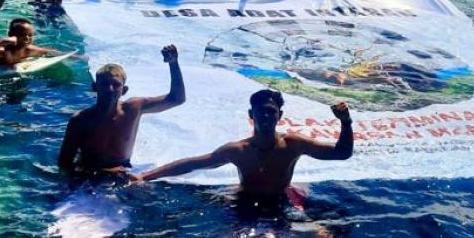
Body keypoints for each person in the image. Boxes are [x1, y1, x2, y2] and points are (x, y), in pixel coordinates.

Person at [134, 90, 353, 198]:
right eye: (261, 112)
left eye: (271, 112)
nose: (266, 116)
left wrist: (345, 122)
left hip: (281, 203)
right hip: (245, 204)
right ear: (251, 114)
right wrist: (145, 176)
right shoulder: (238, 151)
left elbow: (342, 153)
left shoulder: (293, 144)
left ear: (280, 115)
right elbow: (193, 164)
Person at [58, 46, 185, 174]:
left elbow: (177, 99)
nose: (110, 89)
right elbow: (64, 164)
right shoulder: (80, 120)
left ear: (124, 90)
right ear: (95, 87)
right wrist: (106, 171)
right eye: (104, 84)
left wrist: (173, 63)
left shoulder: (133, 108)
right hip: (89, 176)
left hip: (123, 171)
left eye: (116, 85)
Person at [0, 18, 68, 67]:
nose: (27, 38)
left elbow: (51, 52)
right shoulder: (0, 53)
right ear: (12, 35)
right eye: (23, 35)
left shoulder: (28, 49)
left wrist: (79, 57)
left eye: (30, 35)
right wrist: (1, 42)